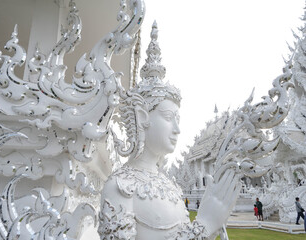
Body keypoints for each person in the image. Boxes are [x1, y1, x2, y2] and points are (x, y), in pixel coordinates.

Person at [98, 22, 241, 240]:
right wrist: (204, 226)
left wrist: (212, 227)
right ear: (143, 118)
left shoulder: (171, 186)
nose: (177, 129)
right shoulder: (120, 187)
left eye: (178, 119)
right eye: (168, 118)